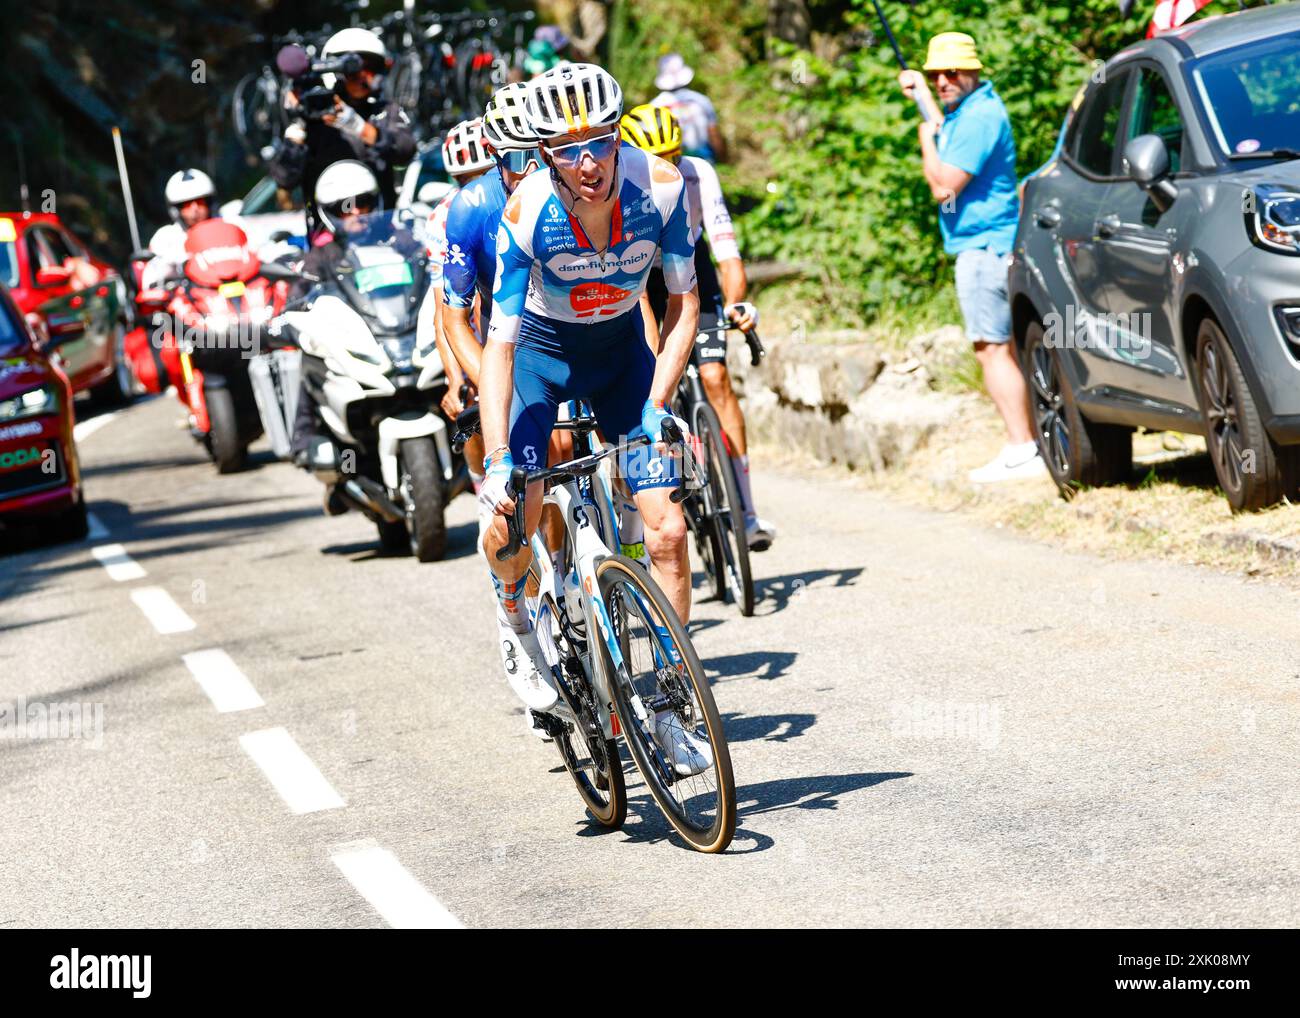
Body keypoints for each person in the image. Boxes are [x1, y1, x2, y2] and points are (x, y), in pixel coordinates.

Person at [477, 65, 709, 773]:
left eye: (601, 142)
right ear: (544, 155)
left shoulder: (663, 189)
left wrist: (659, 407)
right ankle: (517, 616)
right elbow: (501, 344)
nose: (589, 163)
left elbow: (683, 307)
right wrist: (495, 459)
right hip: (543, 362)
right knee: (520, 505)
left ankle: (669, 704)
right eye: (569, 149)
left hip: (621, 363)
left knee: (666, 530)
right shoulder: (526, 217)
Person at [621, 103, 775, 551]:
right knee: (650, 381)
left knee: (715, 377)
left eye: (674, 155)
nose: (668, 166)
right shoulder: (622, 182)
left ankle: (746, 511)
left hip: (688, 267)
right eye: (657, 159)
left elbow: (726, 252)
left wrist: (737, 303)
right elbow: (634, 293)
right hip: (639, 281)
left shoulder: (698, 172)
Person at [898, 32, 1043, 483]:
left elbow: (943, 185)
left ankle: (1022, 447)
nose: (943, 79)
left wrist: (925, 139)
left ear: (973, 71)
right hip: (990, 242)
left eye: (952, 72)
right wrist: (924, 102)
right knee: (1003, 346)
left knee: (991, 348)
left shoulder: (979, 118)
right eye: (935, 73)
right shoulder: (972, 111)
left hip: (984, 246)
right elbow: (948, 133)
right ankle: (1029, 442)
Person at [269, 27, 416, 242]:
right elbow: (284, 178)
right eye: (357, 69)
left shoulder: (384, 111)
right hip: (328, 243)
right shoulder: (313, 115)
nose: (367, 77)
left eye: (373, 68)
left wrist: (356, 125)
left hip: (381, 236)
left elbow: (405, 150)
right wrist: (297, 127)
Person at [141, 169, 218, 289]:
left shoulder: (228, 227)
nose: (195, 208)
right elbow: (152, 281)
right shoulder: (165, 238)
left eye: (200, 201)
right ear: (176, 210)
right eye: (187, 204)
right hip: (192, 300)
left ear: (210, 203)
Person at [652, 53, 726, 163]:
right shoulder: (701, 100)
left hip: (670, 164)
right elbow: (713, 133)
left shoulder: (654, 106)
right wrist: (722, 158)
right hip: (704, 161)